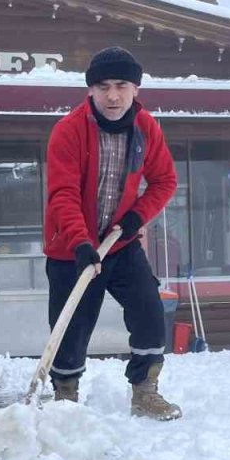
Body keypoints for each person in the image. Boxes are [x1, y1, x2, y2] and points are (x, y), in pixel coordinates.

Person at [42, 46, 182, 420]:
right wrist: (80, 242)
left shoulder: (146, 128)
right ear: (90, 90)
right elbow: (63, 194)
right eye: (103, 86)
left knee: (149, 310)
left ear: (136, 88)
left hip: (120, 244)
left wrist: (137, 217)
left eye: (121, 85)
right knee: (71, 326)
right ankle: (65, 397)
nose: (113, 96)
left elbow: (164, 180)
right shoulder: (69, 130)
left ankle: (145, 390)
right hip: (72, 249)